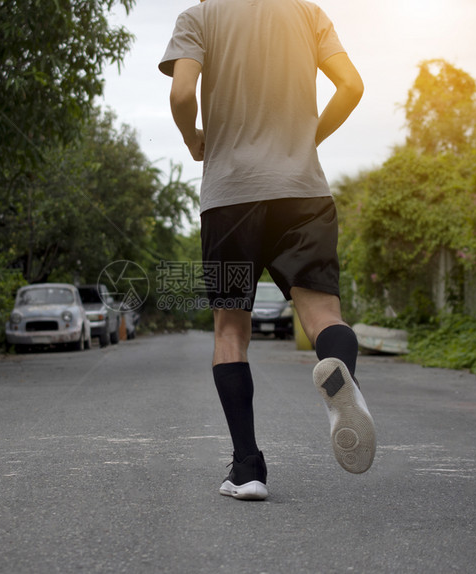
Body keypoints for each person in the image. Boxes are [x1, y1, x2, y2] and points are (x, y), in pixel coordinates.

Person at [159, 0, 376, 501]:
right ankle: (343, 379)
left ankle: (248, 467)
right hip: (303, 192)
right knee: (323, 315)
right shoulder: (308, 13)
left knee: (231, 330)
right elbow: (352, 87)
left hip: (232, 199)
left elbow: (181, 91)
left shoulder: (199, 16)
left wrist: (192, 138)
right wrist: (307, 140)